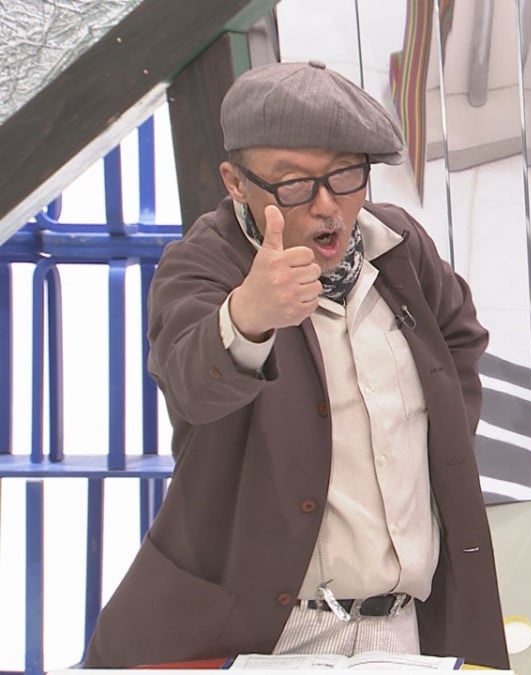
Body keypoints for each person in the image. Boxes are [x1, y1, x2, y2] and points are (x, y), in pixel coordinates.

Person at [84, 60, 508, 669]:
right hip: (266, 633)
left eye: (346, 175)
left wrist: (433, 446)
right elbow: (188, 385)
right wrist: (248, 316)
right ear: (236, 182)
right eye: (293, 184)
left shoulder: (399, 247)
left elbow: (460, 341)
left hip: (402, 627)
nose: (327, 205)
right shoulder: (204, 261)